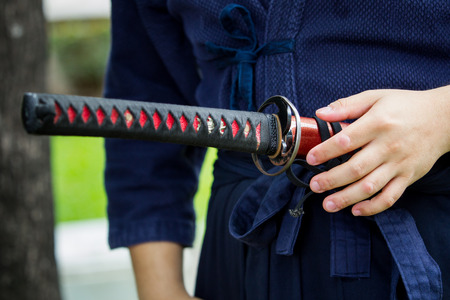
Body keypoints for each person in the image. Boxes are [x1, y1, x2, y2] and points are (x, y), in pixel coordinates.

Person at [103, 1, 450, 299]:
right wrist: (161, 291)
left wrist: (441, 116)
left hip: (425, 232)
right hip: (241, 245)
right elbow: (144, 104)